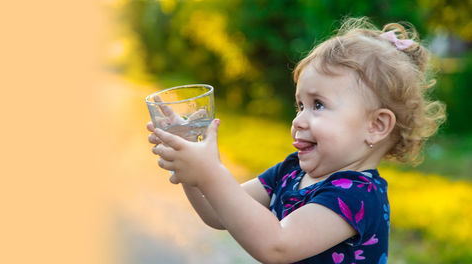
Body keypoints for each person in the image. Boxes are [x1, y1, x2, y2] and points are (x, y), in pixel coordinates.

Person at [145, 17, 445, 263]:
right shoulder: (290, 172)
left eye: (318, 105)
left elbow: (277, 245)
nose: (298, 120)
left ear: (376, 126)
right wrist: (188, 161)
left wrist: (210, 172)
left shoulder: (357, 195)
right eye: (300, 105)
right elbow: (218, 212)